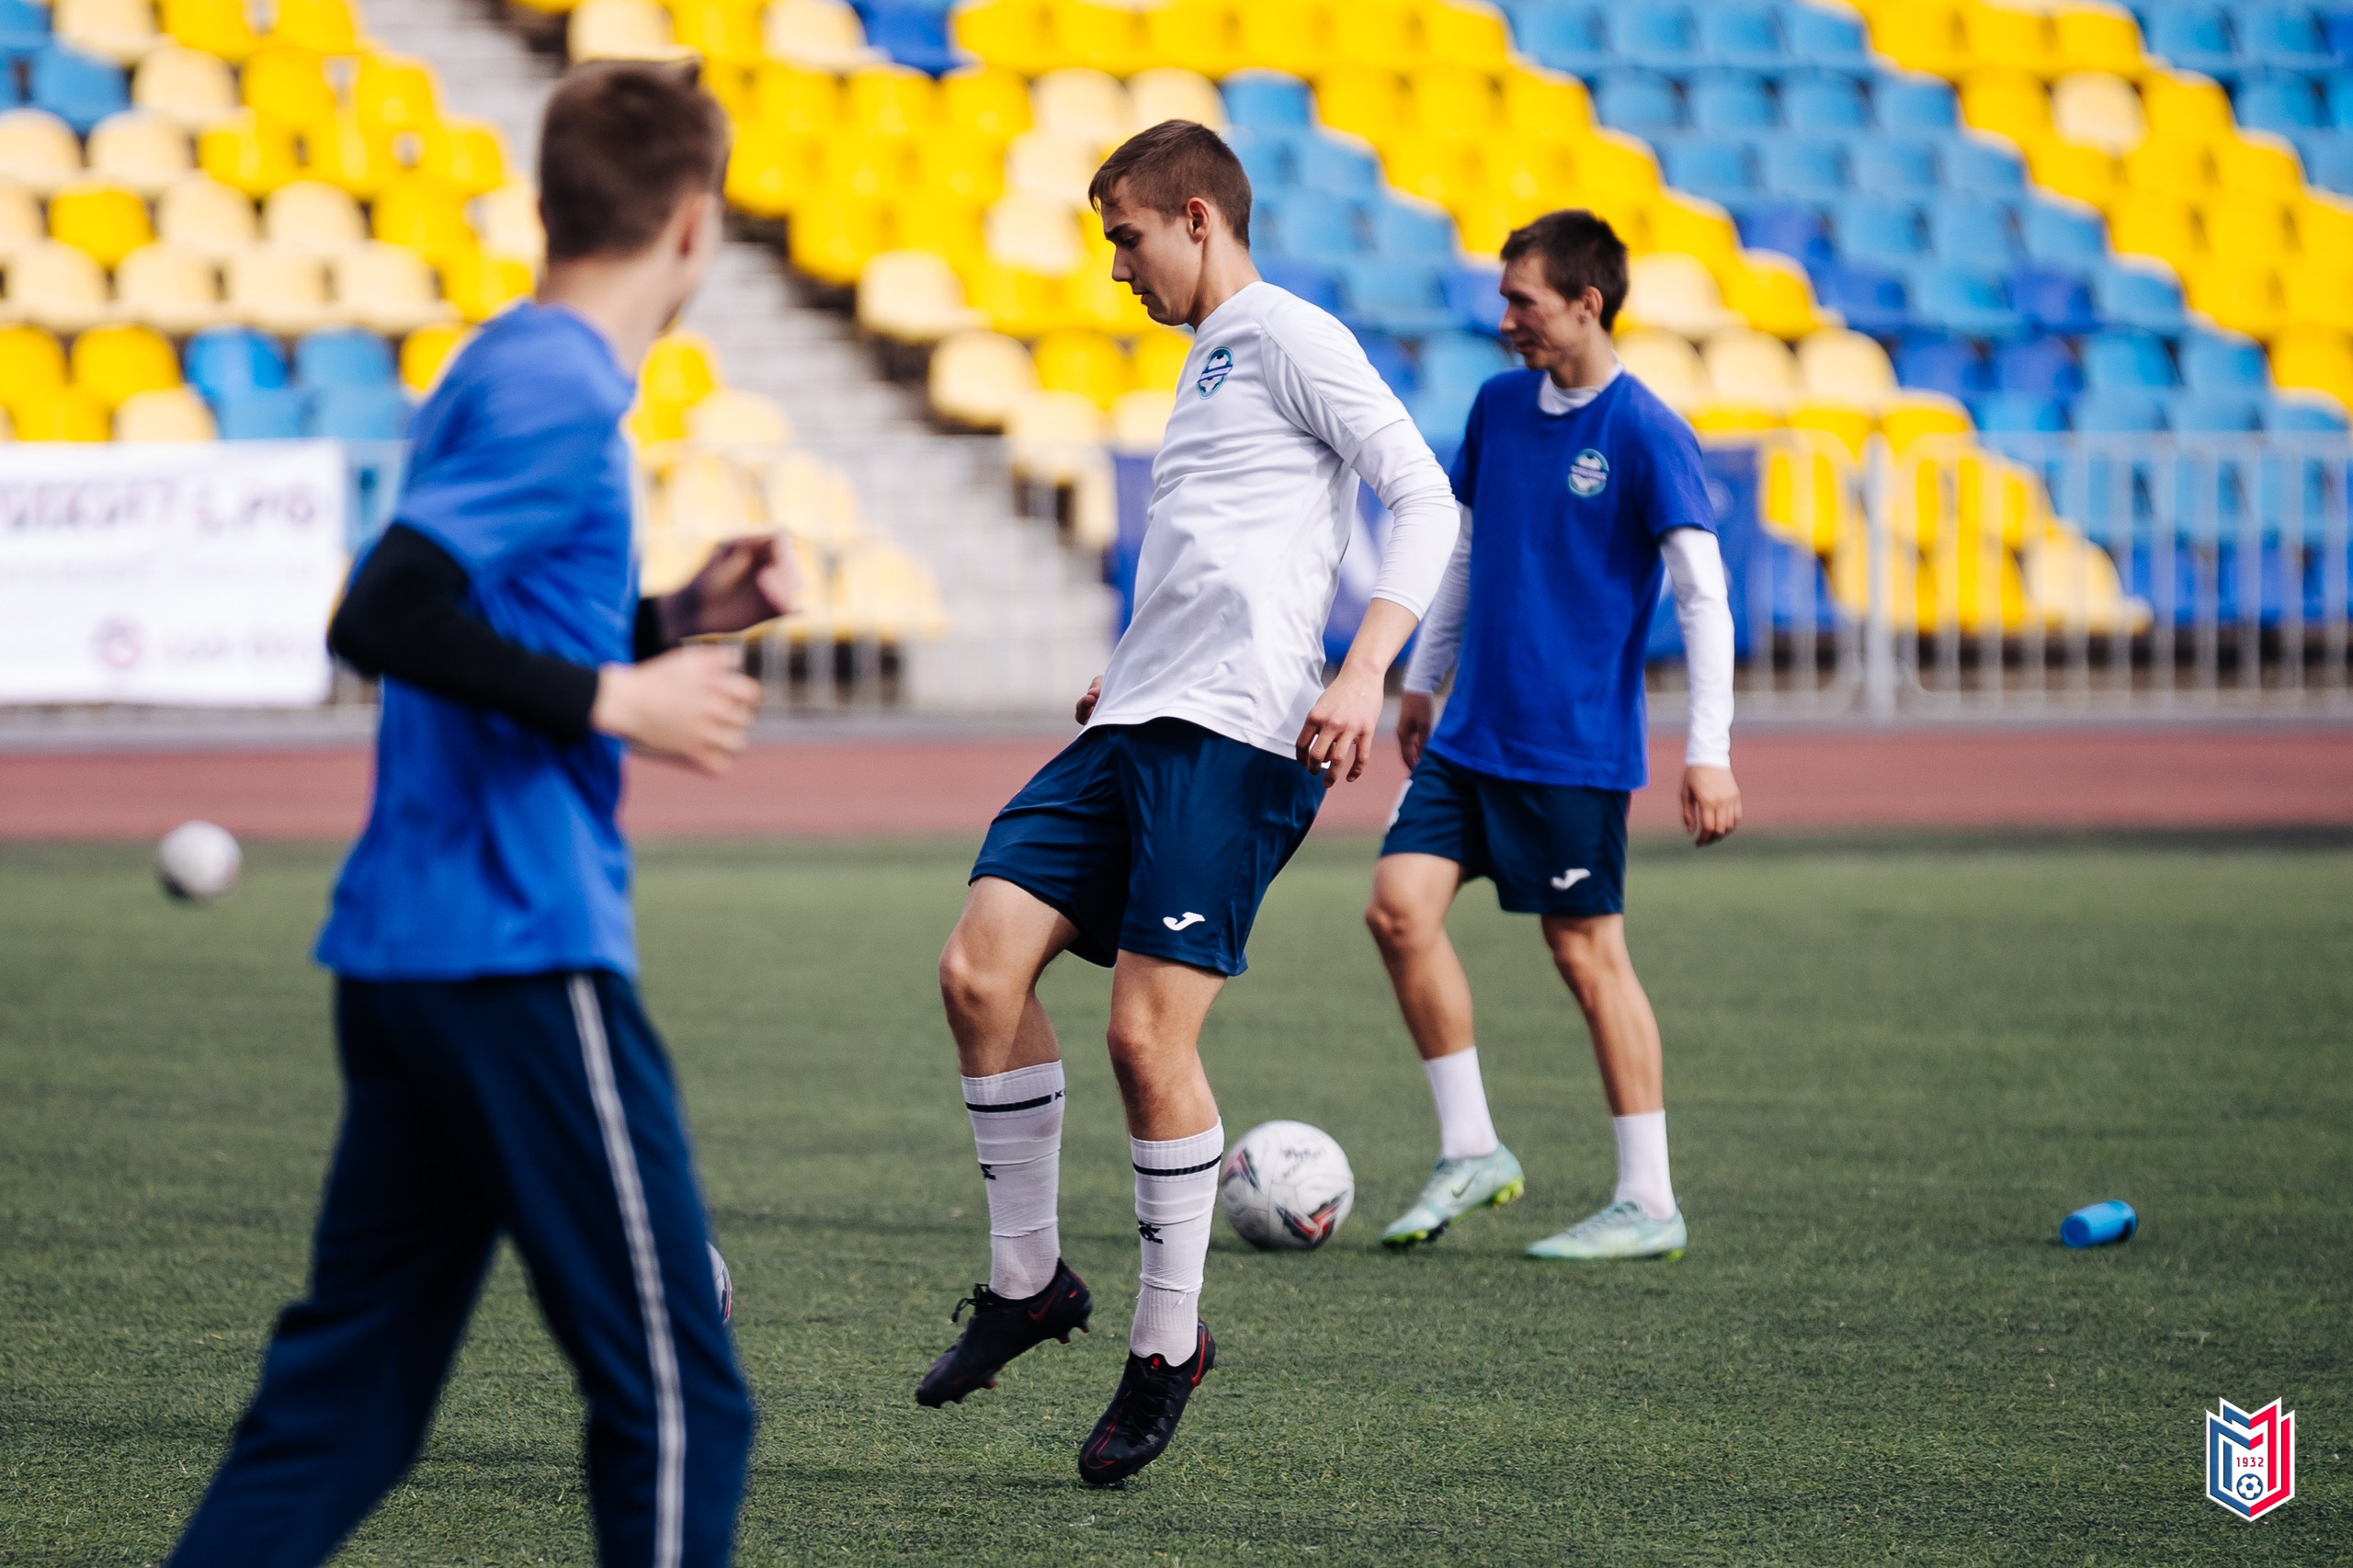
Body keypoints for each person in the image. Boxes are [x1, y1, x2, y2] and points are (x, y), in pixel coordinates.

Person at [165, 63, 783, 1568]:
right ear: (691, 225)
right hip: (516, 945)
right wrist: (617, 699)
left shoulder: (503, 361)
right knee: (684, 1401)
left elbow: (479, 615)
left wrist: (662, 619)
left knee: (345, 1408)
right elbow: (380, 613)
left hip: (412, 949)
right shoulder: (559, 387)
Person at [918, 120, 1459, 1486]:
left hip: (1236, 739)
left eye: (1127, 237)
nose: (1117, 268)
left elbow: (1424, 499)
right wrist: (1135, 656)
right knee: (978, 972)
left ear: (1199, 217)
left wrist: (1364, 669)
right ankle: (1029, 1281)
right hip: (1139, 715)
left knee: (1145, 1037)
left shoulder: (1289, 332)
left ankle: (1167, 1343)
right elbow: (1225, 550)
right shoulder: (1210, 356)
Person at [1364, 210, 1742, 1264]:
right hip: (1468, 736)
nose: (1505, 320)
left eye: (1522, 301)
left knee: (1584, 955)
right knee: (1396, 910)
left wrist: (1708, 749)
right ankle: (1471, 1147)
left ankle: (1648, 1198)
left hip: (1570, 750)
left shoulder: (1646, 431)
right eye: (1503, 299)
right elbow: (1464, 550)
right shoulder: (1495, 407)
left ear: (1587, 303)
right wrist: (1422, 678)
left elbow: (1702, 597)